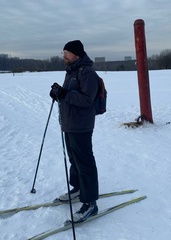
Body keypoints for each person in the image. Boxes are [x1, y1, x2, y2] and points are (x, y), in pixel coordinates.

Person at [50, 40, 99, 223]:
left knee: (85, 162)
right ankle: (78, 189)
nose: (64, 56)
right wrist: (59, 94)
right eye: (63, 52)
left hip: (81, 126)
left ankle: (91, 203)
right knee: (74, 159)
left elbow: (87, 99)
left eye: (67, 53)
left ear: (76, 54)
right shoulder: (71, 72)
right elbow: (70, 95)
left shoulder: (88, 73)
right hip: (70, 124)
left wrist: (64, 94)